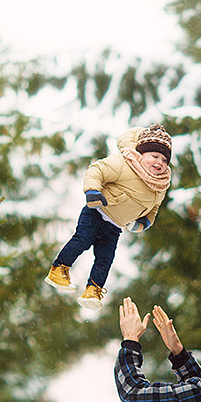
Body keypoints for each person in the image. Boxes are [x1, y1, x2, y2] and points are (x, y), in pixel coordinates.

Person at [45, 124, 173, 311]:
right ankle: (59, 269)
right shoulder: (125, 163)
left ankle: (93, 290)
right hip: (96, 212)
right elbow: (98, 170)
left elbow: (153, 209)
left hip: (114, 227)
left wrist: (144, 222)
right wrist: (93, 191)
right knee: (83, 240)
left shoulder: (159, 185)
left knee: (105, 258)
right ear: (141, 152)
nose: (159, 163)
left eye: (164, 160)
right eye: (154, 156)